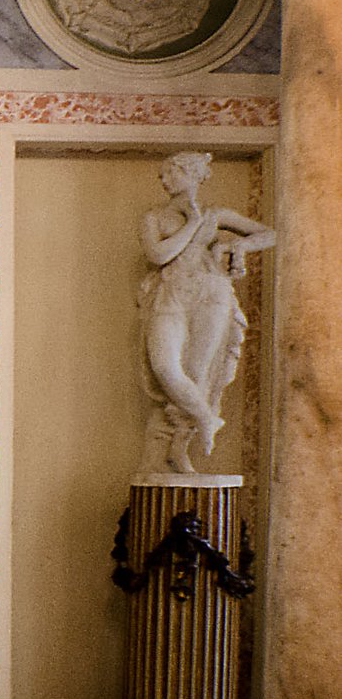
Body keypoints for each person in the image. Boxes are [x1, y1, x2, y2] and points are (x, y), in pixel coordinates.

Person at [137, 151, 273, 474]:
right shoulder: (154, 218)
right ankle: (206, 418)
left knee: (199, 373)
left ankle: (179, 449)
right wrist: (194, 223)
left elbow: (271, 234)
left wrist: (237, 246)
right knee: (165, 366)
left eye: (170, 172)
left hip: (211, 294)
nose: (163, 179)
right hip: (171, 296)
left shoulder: (217, 215)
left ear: (192, 174)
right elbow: (158, 254)